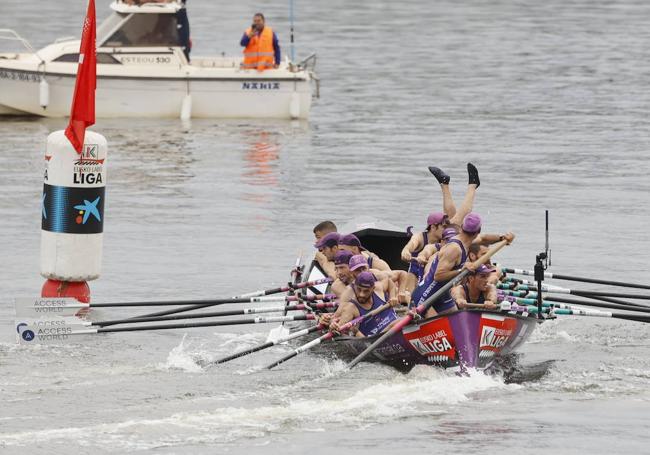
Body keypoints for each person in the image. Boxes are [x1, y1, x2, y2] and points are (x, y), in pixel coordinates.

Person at [412, 212, 510, 318]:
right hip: (427, 293)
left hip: (442, 292)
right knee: (418, 324)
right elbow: (438, 276)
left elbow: (484, 238)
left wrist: (502, 238)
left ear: (462, 227)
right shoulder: (454, 248)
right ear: (478, 230)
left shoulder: (467, 241)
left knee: (456, 320)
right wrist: (461, 271)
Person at [330, 272, 399, 337]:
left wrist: (393, 297)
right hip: (377, 340)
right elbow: (337, 332)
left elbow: (389, 281)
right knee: (396, 323)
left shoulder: (378, 289)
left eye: (366, 291)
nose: (361, 294)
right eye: (359, 289)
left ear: (373, 289)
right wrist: (333, 326)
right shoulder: (351, 308)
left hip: (400, 326)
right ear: (354, 287)